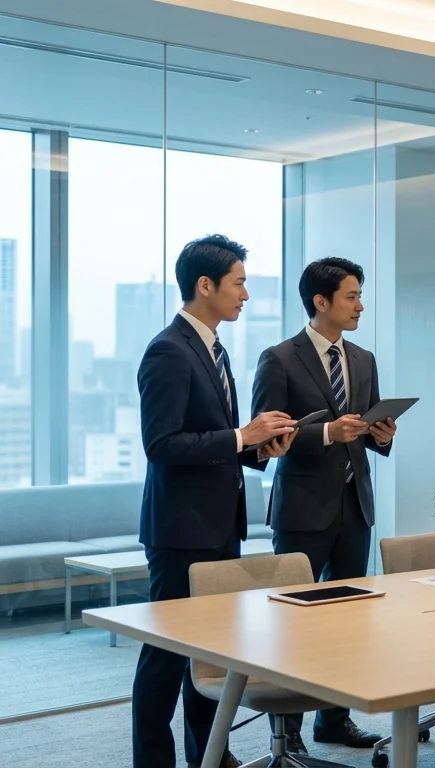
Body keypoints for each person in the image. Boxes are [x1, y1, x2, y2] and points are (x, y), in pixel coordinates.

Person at [132, 235, 297, 768]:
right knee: (166, 654)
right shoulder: (168, 350)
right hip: (181, 530)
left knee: (212, 650)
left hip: (220, 524)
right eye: (239, 283)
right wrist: (242, 436)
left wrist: (260, 448)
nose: (246, 294)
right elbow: (161, 445)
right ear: (206, 285)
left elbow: (215, 441)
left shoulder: (215, 349)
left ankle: (209, 754)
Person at [250, 257, 396, 752]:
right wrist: (328, 432)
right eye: (352, 296)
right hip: (302, 508)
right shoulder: (279, 358)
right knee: (295, 621)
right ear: (321, 301)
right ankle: (286, 732)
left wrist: (381, 435)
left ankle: (334, 719)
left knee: (348, 619)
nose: (360, 306)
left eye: (359, 296)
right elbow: (265, 435)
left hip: (355, 505)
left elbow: (368, 431)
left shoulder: (364, 359)